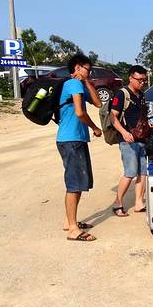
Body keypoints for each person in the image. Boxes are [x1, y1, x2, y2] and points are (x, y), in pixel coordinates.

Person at [57, 53, 102, 241]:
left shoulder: (79, 84)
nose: (89, 73)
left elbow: (98, 103)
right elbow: (80, 112)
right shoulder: (73, 84)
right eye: (87, 70)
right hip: (71, 140)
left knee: (79, 183)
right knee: (74, 184)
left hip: (75, 139)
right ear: (77, 67)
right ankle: (73, 230)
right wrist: (95, 128)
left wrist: (88, 81)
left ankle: (69, 222)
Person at [110, 65, 151, 216]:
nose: (142, 83)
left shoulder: (141, 95)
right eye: (139, 80)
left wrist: (148, 125)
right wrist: (124, 132)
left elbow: (142, 115)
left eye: (144, 80)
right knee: (130, 171)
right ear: (130, 78)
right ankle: (117, 202)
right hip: (127, 140)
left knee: (143, 171)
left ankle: (139, 202)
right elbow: (113, 117)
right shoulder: (122, 94)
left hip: (141, 138)